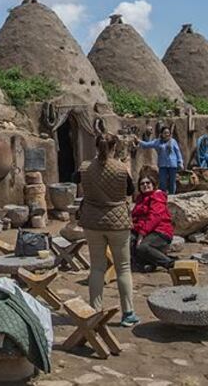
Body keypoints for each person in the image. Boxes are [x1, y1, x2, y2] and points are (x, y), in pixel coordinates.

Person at [73, 133, 139, 327]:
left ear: (96, 147)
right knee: (123, 268)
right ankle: (128, 313)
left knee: (97, 268)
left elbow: (74, 178)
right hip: (118, 222)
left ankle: (95, 312)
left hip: (93, 222)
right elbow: (130, 191)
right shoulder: (121, 168)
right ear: (114, 148)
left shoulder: (85, 167)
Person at [130, 176, 175, 272]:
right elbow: (136, 217)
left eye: (148, 183)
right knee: (128, 240)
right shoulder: (140, 199)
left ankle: (169, 263)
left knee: (142, 247)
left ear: (153, 184)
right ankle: (146, 264)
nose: (145, 185)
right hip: (144, 230)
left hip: (160, 231)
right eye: (142, 183)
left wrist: (141, 234)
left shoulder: (157, 196)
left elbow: (155, 217)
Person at [138, 125, 183, 195]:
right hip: (162, 165)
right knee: (162, 182)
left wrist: (180, 162)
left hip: (172, 165)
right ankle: (163, 196)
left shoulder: (173, 141)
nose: (167, 134)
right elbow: (147, 144)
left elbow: (178, 152)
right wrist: (138, 141)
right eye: (165, 133)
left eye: (168, 133)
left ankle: (172, 196)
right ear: (161, 134)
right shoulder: (158, 142)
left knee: (172, 182)